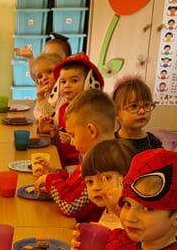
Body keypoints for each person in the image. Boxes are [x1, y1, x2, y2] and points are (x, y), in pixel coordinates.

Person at [32, 90, 115, 221]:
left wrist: (51, 180)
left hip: (86, 229)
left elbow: (71, 206)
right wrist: (56, 173)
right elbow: (76, 186)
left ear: (91, 130)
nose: (71, 141)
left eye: (73, 135)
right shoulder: (99, 155)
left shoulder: (103, 166)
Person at [50, 53, 104, 168]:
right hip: (61, 162)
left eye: (74, 81)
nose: (67, 85)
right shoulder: (62, 108)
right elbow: (55, 129)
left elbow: (97, 141)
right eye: (63, 82)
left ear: (88, 81)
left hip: (82, 165)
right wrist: (47, 128)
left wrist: (72, 140)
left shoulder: (92, 111)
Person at [78, 138, 136, 229]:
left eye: (106, 178)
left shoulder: (133, 220)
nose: (95, 187)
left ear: (129, 176)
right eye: (90, 181)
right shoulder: (107, 210)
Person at [112, 77, 164, 153]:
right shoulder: (111, 141)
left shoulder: (152, 142)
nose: (142, 111)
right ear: (117, 113)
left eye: (146, 105)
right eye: (134, 106)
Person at [30, 52, 60, 135]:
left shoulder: (63, 94)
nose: (44, 77)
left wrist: (40, 97)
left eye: (49, 71)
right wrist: (41, 119)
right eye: (40, 76)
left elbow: (51, 117)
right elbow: (37, 111)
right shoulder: (46, 93)